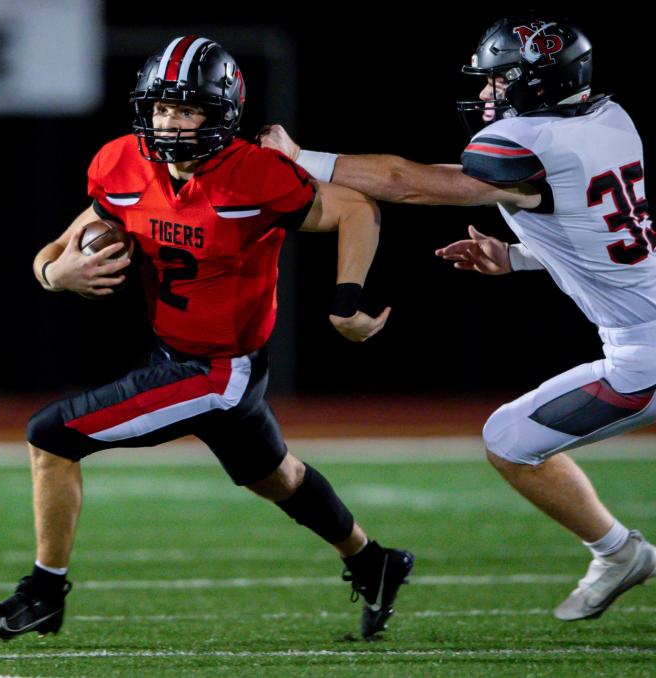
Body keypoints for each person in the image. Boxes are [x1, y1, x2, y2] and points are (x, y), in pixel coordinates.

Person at [0, 36, 414, 642]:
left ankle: (43, 593)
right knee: (275, 477)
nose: (170, 124)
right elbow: (57, 248)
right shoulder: (121, 163)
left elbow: (357, 208)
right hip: (177, 354)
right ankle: (373, 561)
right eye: (162, 109)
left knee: (50, 435)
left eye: (187, 110)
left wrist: (346, 301)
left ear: (221, 115)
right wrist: (56, 273)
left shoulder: (256, 174)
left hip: (219, 369)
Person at [260, 16, 656, 621]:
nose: (490, 94)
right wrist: (520, 257)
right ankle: (618, 551)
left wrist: (301, 158)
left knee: (509, 439)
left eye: (501, 81)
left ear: (537, 82)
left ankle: (618, 550)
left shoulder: (531, 142)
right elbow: (604, 232)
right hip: (643, 327)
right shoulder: (610, 119)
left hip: (645, 351)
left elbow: (410, 185)